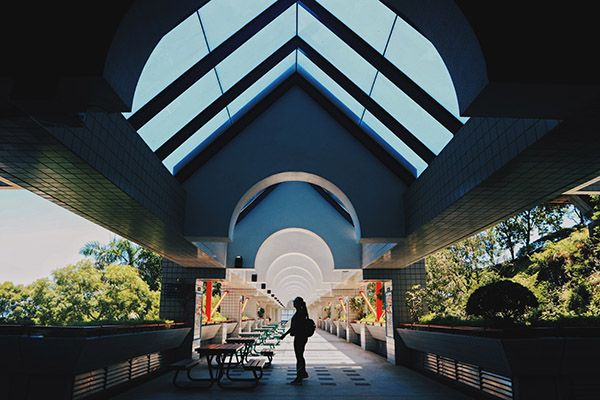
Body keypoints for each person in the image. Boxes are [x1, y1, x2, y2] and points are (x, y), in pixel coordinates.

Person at [280, 297, 310, 385]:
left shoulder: (299, 313)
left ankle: (299, 377)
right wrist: (285, 334)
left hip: (300, 337)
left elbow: (294, 327)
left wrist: (284, 335)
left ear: (298, 303)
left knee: (299, 356)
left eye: (295, 302)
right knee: (300, 355)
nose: (294, 303)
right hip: (302, 337)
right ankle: (303, 373)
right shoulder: (301, 312)